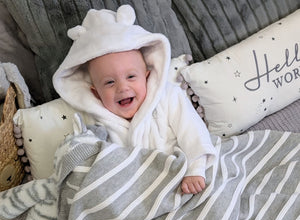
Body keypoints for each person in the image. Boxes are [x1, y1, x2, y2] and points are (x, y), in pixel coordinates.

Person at [53, 4, 216, 195]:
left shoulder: (168, 96)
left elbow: (193, 131)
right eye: (109, 82)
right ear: (96, 93)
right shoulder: (98, 122)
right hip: (135, 193)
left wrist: (195, 170)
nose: (122, 88)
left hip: (182, 176)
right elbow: (97, 165)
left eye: (131, 77)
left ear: (146, 77)